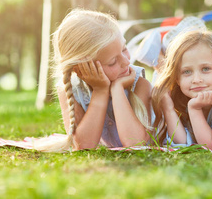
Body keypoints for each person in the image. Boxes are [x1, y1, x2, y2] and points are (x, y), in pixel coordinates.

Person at [34, 9, 153, 152]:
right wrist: (100, 91)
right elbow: (83, 146)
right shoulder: (70, 89)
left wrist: (117, 90)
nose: (126, 61)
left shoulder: (138, 82)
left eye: (124, 49)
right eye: (112, 62)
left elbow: (136, 143)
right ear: (81, 69)